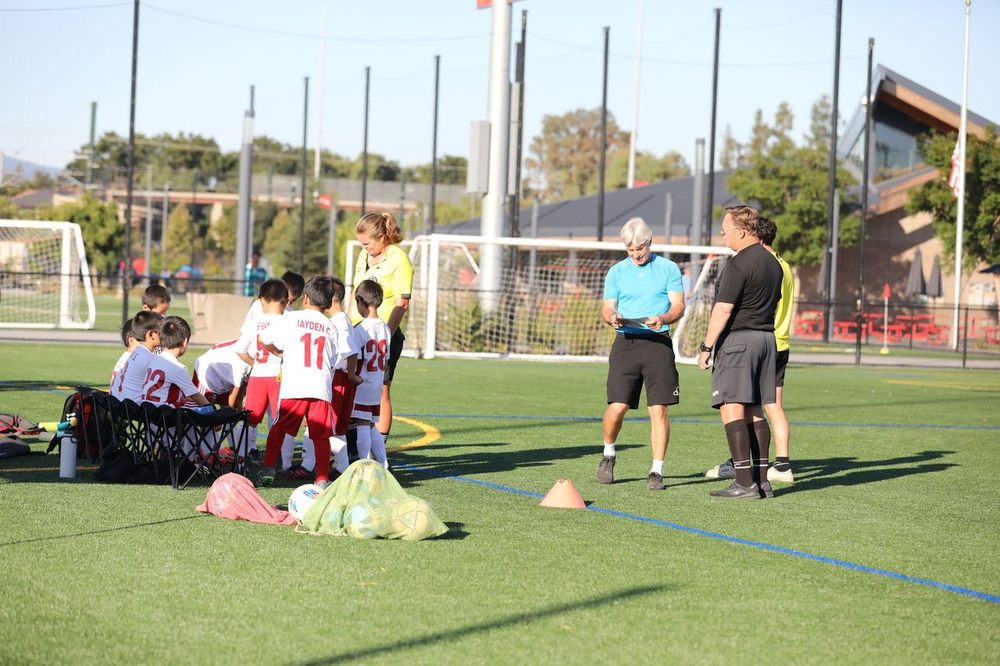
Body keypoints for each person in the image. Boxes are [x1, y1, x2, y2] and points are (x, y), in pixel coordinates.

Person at [698, 205, 783, 500]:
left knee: (731, 407)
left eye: (726, 231)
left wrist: (707, 346)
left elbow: (723, 309)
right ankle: (762, 482)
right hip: (766, 341)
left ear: (743, 231)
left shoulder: (738, 264)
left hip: (740, 342)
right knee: (755, 411)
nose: (723, 236)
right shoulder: (774, 263)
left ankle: (744, 483)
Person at [597, 217, 686, 491]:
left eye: (639, 248)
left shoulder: (668, 269)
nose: (635, 254)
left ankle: (656, 471)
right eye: (630, 250)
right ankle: (608, 453)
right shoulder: (616, 272)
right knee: (617, 407)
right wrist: (612, 317)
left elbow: (679, 306)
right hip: (626, 343)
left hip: (658, 344)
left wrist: (663, 317)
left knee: (658, 409)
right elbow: (607, 308)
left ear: (650, 242)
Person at [257, 275, 339, 488]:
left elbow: (263, 339)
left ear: (305, 299)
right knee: (320, 435)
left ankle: (268, 469)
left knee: (279, 428)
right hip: (320, 387)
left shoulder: (291, 318)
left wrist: (278, 352)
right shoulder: (332, 328)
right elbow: (333, 359)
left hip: (294, 385)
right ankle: (322, 478)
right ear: (329, 304)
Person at [350, 212, 413, 452]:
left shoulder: (399, 259)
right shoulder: (364, 256)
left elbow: (402, 303)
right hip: (359, 333)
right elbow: (356, 293)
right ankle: (355, 445)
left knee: (381, 389)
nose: (364, 248)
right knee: (353, 384)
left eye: (367, 243)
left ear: (382, 236)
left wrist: (384, 335)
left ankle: (379, 450)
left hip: (382, 336)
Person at [236, 279, 289, 465]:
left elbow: (240, 350)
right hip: (278, 376)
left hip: (258, 376)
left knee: (251, 419)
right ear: (286, 301)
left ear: (261, 300)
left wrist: (256, 363)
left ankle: (242, 458)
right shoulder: (287, 321)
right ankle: (284, 461)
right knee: (281, 419)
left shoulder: (254, 322)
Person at [351, 280, 392, 468]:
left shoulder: (360, 329)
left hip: (362, 383)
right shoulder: (385, 328)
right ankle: (383, 464)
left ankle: (364, 464)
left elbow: (357, 360)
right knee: (370, 425)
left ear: (360, 302)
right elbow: (385, 360)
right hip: (376, 383)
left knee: (361, 424)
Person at [140, 316, 211, 409]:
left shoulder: (154, 360)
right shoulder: (177, 367)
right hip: (166, 418)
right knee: (204, 407)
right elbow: (196, 396)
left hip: (149, 415)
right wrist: (213, 411)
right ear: (185, 342)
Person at [115, 311, 164, 403]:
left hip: (122, 404)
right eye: (161, 331)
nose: (164, 335)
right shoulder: (149, 358)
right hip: (136, 409)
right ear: (150, 334)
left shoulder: (136, 352)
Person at [192, 340, 250, 409]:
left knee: (230, 411)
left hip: (226, 376)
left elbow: (239, 399)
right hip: (206, 373)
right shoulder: (242, 365)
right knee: (203, 411)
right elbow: (231, 405)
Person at [110, 318, 136, 398]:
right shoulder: (134, 359)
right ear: (131, 340)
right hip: (125, 406)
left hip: (117, 403)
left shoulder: (125, 356)